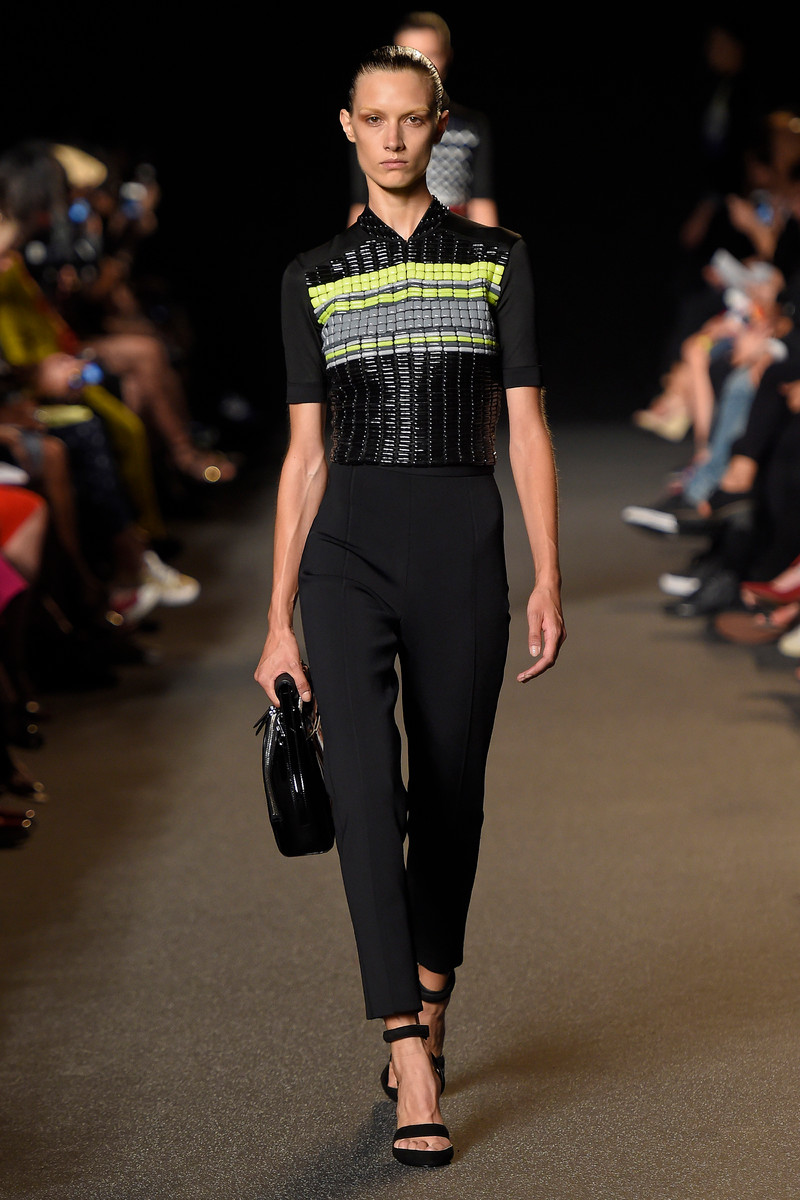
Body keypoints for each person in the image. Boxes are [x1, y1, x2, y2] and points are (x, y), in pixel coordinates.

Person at [255, 45, 564, 1168]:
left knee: (449, 794)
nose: (392, 138)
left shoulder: (496, 259)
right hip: (344, 554)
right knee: (361, 792)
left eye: (411, 119)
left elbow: (525, 424)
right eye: (373, 119)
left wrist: (548, 571)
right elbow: (303, 457)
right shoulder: (310, 275)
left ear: (440, 127)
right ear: (346, 126)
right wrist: (276, 619)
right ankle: (407, 1047)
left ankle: (432, 992)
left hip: (459, 544)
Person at [347, 12, 498, 227]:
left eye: (431, 54)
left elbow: (482, 202)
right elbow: (361, 203)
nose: (422, 65)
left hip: (455, 238)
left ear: (447, 56)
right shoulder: (371, 125)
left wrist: (488, 247)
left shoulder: (471, 126)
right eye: (410, 55)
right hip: (389, 237)